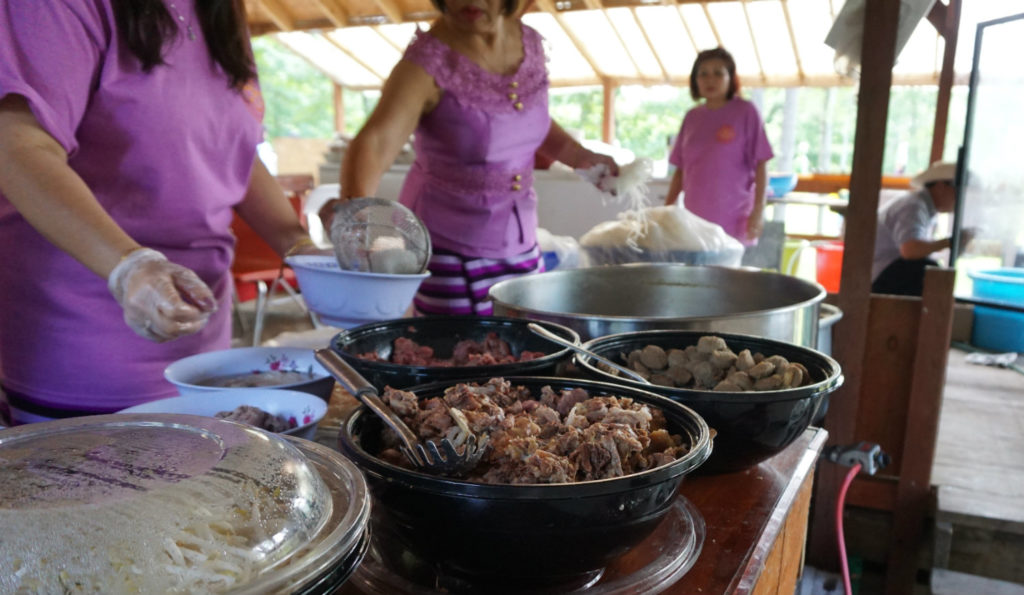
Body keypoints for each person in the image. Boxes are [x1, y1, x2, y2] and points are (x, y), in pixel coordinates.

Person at [0, 0, 318, 424]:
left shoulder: (220, 11)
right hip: (85, 341)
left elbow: (234, 153)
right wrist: (130, 266)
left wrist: (300, 247)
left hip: (202, 341)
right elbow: (18, 146)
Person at [322, 0, 619, 316]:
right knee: (463, 356)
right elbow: (376, 142)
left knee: (525, 348)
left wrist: (579, 156)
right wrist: (355, 217)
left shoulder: (526, 42)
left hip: (522, 244)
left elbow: (527, 118)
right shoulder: (427, 63)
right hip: (450, 250)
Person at [664, 47, 774, 246]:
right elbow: (681, 170)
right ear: (695, 80)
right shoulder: (692, 117)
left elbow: (761, 164)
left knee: (729, 275)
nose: (710, 79)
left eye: (718, 73)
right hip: (694, 219)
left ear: (730, 78)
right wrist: (666, 211)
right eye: (703, 73)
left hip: (734, 217)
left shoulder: (745, 111)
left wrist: (759, 210)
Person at [871, 161, 969, 296]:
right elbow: (910, 250)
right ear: (941, 186)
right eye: (958, 191)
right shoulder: (914, 206)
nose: (960, 198)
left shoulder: (922, 206)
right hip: (879, 278)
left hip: (883, 274)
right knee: (929, 271)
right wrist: (949, 242)